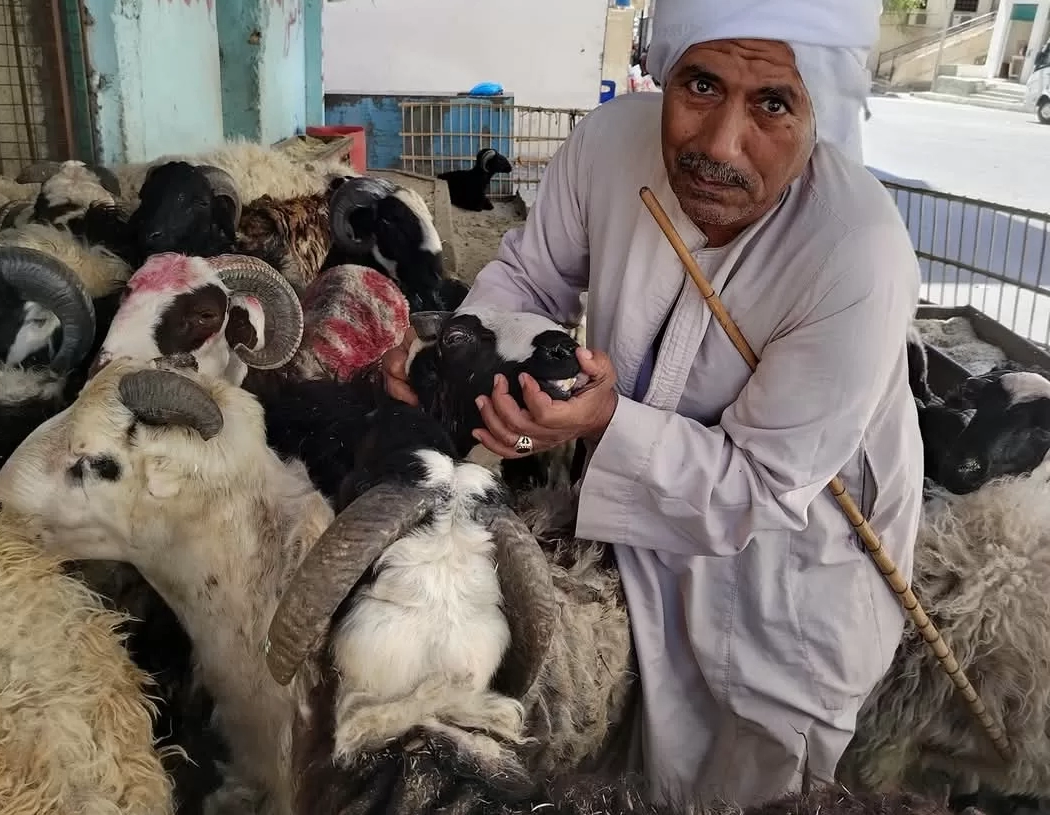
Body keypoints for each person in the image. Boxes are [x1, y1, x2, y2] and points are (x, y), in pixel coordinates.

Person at [381, 0, 924, 806]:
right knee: (611, 765)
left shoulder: (859, 257)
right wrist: (456, 357)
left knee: (753, 784)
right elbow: (527, 283)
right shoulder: (610, 147)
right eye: (700, 84)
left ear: (823, 109)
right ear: (666, 70)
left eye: (773, 103)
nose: (718, 144)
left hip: (791, 578)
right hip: (625, 547)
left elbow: (760, 485)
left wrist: (604, 422)